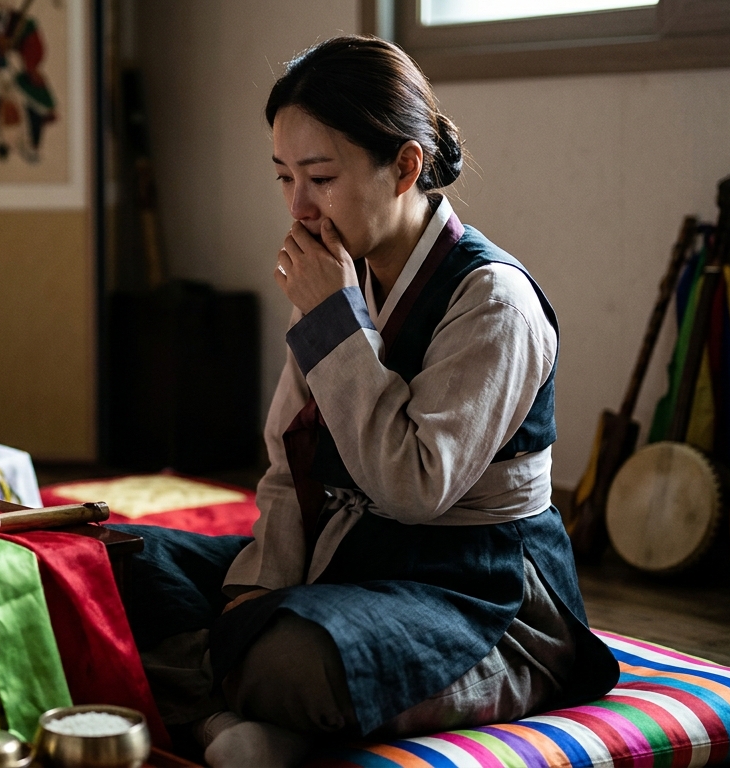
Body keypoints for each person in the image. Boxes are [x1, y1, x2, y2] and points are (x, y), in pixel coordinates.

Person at [111, 36, 620, 767]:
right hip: (347, 565)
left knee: (294, 656)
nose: (298, 205)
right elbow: (294, 461)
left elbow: (413, 487)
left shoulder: (493, 302)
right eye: (284, 176)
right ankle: (227, 723)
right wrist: (259, 588)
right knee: (109, 564)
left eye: (319, 177)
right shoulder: (341, 279)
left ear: (406, 165)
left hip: (475, 590)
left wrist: (332, 325)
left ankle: (226, 703)